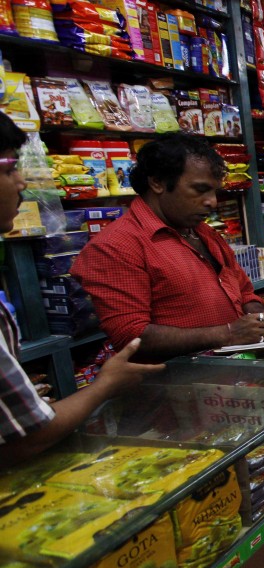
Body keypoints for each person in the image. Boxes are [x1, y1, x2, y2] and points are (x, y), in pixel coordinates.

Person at [0, 111, 161, 465]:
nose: (22, 183)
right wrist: (105, 385)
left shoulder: (201, 235)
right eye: (10, 169)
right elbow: (25, 439)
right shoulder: (114, 244)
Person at [72, 134, 264, 361]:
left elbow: (243, 292)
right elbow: (131, 336)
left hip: (230, 373)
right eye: (200, 190)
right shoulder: (116, 246)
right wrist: (227, 333)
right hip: (176, 385)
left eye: (215, 191)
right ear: (157, 182)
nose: (212, 202)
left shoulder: (203, 232)